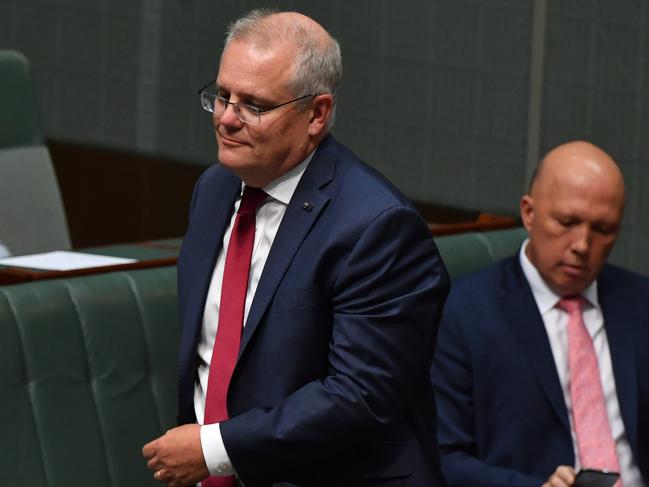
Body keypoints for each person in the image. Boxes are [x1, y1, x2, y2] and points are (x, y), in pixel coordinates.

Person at [143, 9, 449, 487]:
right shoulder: (215, 189)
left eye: (254, 105)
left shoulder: (378, 227)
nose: (226, 119)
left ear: (317, 114)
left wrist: (213, 448)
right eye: (223, 96)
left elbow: (359, 396)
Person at [431, 140, 649, 486]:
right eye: (567, 222)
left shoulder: (640, 303)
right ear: (529, 214)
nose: (582, 245)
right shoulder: (463, 313)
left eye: (603, 230)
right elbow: (441, 457)